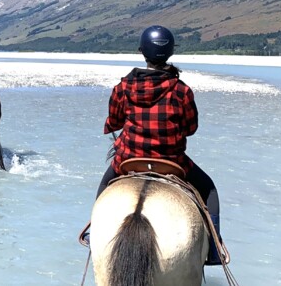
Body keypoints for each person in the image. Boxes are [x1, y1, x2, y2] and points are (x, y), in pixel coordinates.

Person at [94, 25, 222, 265]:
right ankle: (214, 251)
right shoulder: (182, 91)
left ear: (142, 52)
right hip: (172, 162)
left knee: (103, 186)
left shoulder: (123, 87)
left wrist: (113, 124)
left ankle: (95, 234)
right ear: (170, 52)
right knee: (209, 190)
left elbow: (114, 121)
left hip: (128, 158)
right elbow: (191, 128)